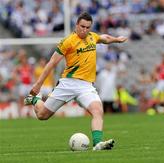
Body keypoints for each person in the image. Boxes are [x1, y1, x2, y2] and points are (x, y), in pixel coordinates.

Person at [24, 12, 127, 150]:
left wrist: (116, 39)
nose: (84, 30)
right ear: (77, 25)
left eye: (88, 27)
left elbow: (104, 38)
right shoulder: (68, 41)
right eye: (82, 26)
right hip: (68, 83)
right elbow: (52, 63)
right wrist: (38, 85)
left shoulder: (92, 37)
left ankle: (97, 143)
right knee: (42, 115)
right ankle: (36, 100)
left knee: (98, 110)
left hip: (86, 86)